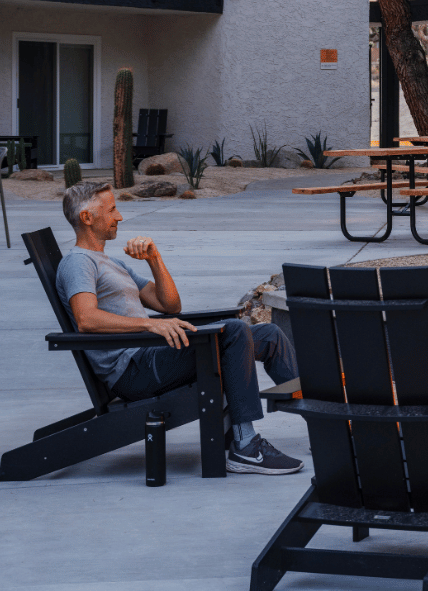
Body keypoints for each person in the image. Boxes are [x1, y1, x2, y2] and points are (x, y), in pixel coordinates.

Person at [55, 181, 303, 475]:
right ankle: (246, 446)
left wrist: (154, 259)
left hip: (150, 356)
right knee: (234, 332)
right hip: (134, 370)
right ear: (87, 218)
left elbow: (170, 305)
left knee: (269, 335)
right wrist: (149, 324)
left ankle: (323, 420)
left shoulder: (112, 263)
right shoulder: (78, 262)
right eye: (111, 210)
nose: (119, 216)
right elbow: (87, 319)